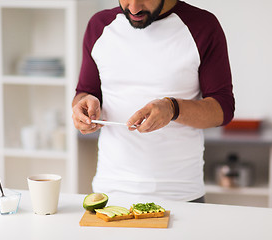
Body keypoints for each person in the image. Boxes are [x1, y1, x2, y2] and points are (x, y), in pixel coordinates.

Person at [72, 0, 234, 203]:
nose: (133, 8)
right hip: (110, 192)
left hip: (181, 196)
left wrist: (173, 108)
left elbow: (223, 109)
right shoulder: (99, 26)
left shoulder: (203, 27)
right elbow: (85, 92)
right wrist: (83, 105)